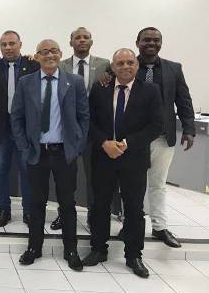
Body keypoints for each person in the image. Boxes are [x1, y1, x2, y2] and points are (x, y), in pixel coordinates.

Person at [83, 48, 162, 278]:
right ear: (113, 67)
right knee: (100, 205)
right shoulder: (100, 88)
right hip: (103, 157)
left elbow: (156, 125)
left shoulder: (151, 91)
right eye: (120, 63)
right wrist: (104, 142)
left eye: (130, 62)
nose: (126, 66)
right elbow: (89, 120)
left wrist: (128, 143)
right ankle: (98, 249)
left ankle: (134, 255)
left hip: (134, 159)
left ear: (136, 65)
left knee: (134, 208)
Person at [11, 39, 89, 271]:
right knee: (36, 203)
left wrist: (77, 146)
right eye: (44, 52)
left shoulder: (74, 82)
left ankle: (71, 250)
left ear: (60, 54)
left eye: (53, 51)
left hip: (64, 153)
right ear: (36, 57)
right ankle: (34, 248)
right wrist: (24, 148)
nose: (49, 55)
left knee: (67, 203)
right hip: (37, 153)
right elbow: (16, 117)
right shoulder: (25, 82)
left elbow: (84, 116)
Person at [135, 27, 195, 248]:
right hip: (135, 138)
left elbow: (184, 100)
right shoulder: (127, 64)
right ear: (137, 42)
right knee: (132, 185)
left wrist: (189, 129)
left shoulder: (173, 69)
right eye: (146, 40)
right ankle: (131, 224)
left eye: (156, 40)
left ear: (161, 43)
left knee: (158, 184)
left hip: (163, 137)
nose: (151, 43)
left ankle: (159, 227)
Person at [0, 30, 39, 227]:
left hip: (25, 131)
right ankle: (4, 209)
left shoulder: (33, 66)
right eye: (4, 44)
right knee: (0, 170)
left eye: (12, 43)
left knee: (27, 171)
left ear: (20, 44)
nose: (8, 48)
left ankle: (29, 211)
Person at [51, 28, 111, 230]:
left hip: (94, 129)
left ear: (91, 42)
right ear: (70, 42)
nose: (82, 40)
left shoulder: (104, 65)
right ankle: (65, 214)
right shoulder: (60, 65)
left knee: (94, 177)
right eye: (77, 38)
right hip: (67, 128)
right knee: (66, 177)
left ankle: (94, 216)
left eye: (86, 37)